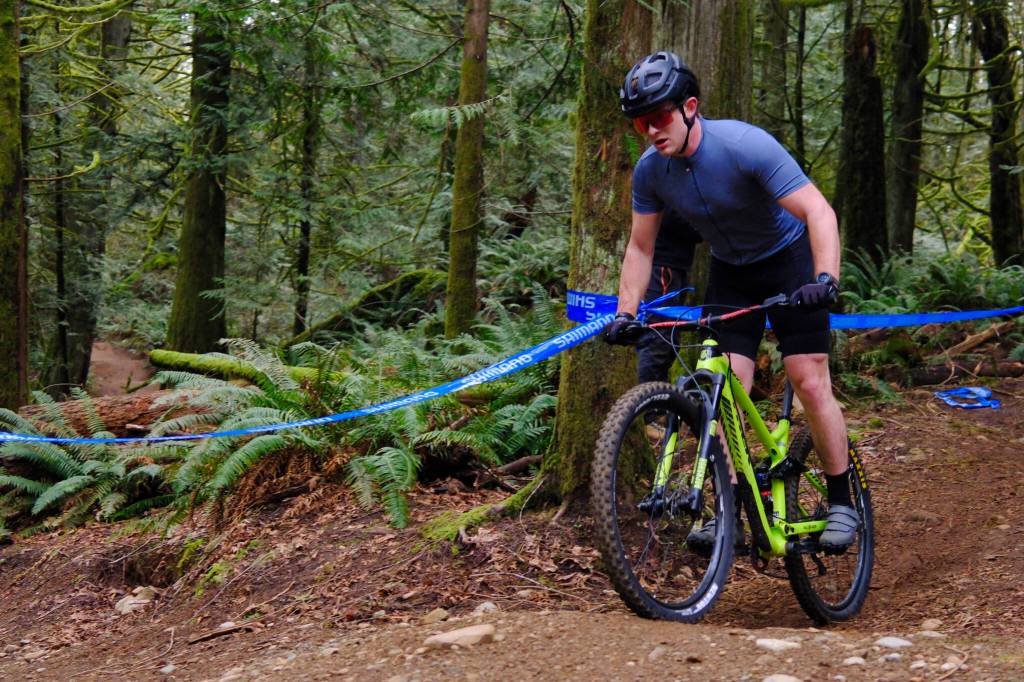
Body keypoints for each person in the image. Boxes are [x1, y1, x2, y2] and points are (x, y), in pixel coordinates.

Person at [603, 51, 858, 552]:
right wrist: (625, 313)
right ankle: (732, 510)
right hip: (732, 273)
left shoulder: (744, 145)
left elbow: (818, 210)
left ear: (690, 107)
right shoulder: (651, 172)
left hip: (789, 262)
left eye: (659, 117)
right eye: (641, 123)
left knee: (808, 377)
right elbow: (640, 247)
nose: (651, 130)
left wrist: (825, 277)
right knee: (718, 394)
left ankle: (842, 499)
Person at [636, 208, 701, 386]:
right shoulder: (665, 185)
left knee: (669, 340)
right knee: (659, 337)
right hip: (663, 266)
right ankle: (652, 406)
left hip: (674, 266)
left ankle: (661, 400)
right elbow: (674, 218)